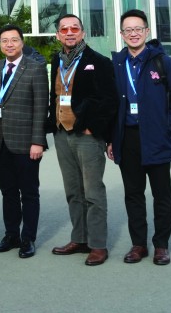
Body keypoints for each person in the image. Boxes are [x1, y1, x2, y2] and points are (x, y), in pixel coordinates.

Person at [108, 9, 171, 266]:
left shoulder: (161, 62)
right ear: (121, 34)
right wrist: (110, 139)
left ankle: (161, 245)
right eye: (128, 30)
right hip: (127, 138)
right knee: (133, 194)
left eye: (138, 29)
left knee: (161, 194)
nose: (133, 34)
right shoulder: (116, 64)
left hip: (156, 138)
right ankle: (138, 244)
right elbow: (110, 105)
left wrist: (168, 127)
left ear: (146, 31)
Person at [47, 14, 118, 266]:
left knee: (93, 192)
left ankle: (98, 244)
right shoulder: (57, 60)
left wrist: (94, 129)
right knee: (73, 191)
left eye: (74, 28)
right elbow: (55, 94)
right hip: (62, 133)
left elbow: (110, 101)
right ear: (57, 35)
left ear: (83, 33)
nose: (69, 32)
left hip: (87, 136)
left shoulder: (99, 62)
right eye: (64, 29)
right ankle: (80, 238)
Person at [0, 24, 48, 259]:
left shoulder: (35, 68)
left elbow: (41, 107)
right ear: (0, 43)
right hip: (2, 142)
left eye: (14, 40)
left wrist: (38, 141)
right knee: (8, 191)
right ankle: (11, 234)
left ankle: (28, 238)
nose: (9, 44)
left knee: (29, 193)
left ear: (22, 42)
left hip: (26, 143)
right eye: (4, 40)